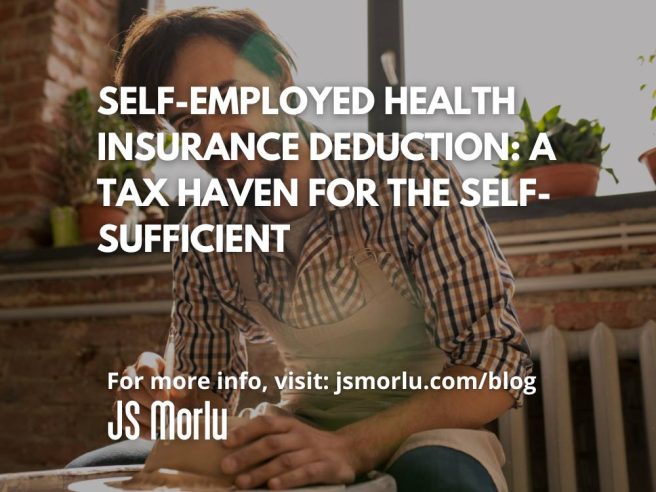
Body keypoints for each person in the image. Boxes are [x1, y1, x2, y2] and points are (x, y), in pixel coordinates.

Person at [68, 7, 532, 491]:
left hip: (429, 430)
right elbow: (204, 398)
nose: (214, 138)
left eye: (227, 98)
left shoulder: (406, 177)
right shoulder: (205, 233)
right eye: (188, 122)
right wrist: (165, 406)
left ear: (281, 80)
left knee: (441, 481)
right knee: (97, 470)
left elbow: (497, 364)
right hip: (302, 424)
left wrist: (352, 446)